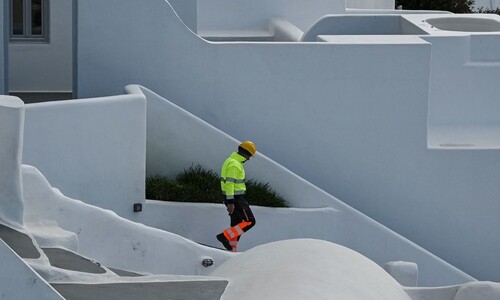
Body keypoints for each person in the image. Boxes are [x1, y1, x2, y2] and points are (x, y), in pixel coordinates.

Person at [216, 141, 257, 252]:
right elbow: (230, 183)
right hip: (236, 199)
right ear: (246, 154)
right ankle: (224, 236)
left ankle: (232, 249)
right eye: (249, 156)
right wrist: (231, 202)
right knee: (250, 221)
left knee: (237, 224)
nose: (249, 159)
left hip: (232, 198)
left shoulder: (230, 161)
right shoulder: (235, 164)